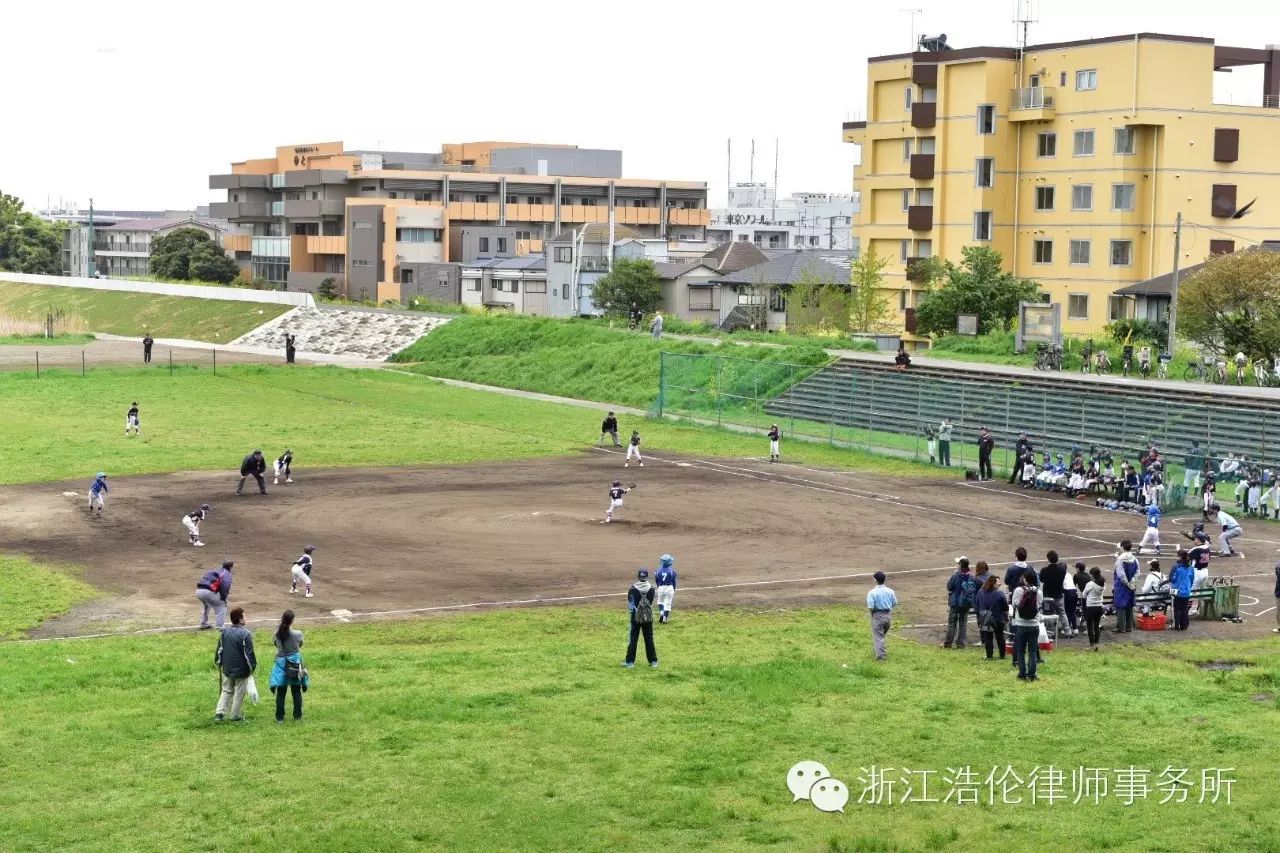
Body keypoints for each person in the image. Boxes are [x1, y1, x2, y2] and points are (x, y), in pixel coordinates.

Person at [214, 607, 257, 722]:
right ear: (240, 619)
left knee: (226, 690)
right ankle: (235, 716)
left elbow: (219, 650)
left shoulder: (224, 632)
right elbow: (249, 654)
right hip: (242, 670)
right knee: (239, 693)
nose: (246, 618)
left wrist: (218, 662)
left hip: (227, 669)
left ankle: (219, 714)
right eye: (244, 616)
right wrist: (252, 668)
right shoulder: (246, 634)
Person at [270, 610, 308, 723]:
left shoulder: (276, 633)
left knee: (281, 692)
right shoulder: (298, 634)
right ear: (292, 621)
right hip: (294, 663)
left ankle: (280, 718)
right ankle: (297, 717)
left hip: (281, 664)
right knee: (296, 690)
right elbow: (300, 644)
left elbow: (275, 644)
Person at [623, 570, 658, 668]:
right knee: (649, 638)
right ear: (647, 577)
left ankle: (630, 662)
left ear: (638, 576)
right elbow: (650, 602)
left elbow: (631, 602)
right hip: (648, 616)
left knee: (633, 638)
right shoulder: (651, 589)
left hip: (636, 616)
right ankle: (653, 661)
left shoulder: (633, 588)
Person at [1010, 573, 1041, 681]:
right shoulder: (1039, 592)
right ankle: (1032, 674)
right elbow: (1039, 606)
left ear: (1025, 579)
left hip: (1021, 624)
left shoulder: (1018, 590)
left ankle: (1022, 673)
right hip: (1034, 624)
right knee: (1032, 651)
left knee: (1020, 650)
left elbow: (1014, 604)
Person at [942, 557, 977, 649]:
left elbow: (949, 587)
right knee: (963, 623)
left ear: (960, 566)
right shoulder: (971, 577)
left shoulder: (955, 576)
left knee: (952, 622)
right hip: (966, 604)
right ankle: (960, 644)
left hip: (955, 603)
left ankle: (948, 643)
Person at [975, 575, 1008, 661]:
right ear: (993, 584)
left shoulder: (980, 592)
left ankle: (989, 655)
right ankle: (1002, 655)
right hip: (998, 618)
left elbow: (976, 605)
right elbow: (1005, 607)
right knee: (1000, 637)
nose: (1000, 583)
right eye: (998, 582)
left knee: (987, 637)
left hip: (985, 617)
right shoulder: (999, 593)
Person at [866, 571, 897, 661]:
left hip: (877, 616)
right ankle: (878, 650)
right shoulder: (890, 591)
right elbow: (894, 603)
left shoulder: (872, 593)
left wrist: (873, 614)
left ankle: (881, 658)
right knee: (881, 636)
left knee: (879, 637)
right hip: (888, 616)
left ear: (875, 580)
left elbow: (871, 606)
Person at [1040, 551, 1071, 638]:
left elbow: (1041, 580)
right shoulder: (1062, 570)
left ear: (1048, 559)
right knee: (1062, 613)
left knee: (1048, 613)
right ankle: (1067, 631)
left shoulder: (1044, 570)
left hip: (1047, 595)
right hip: (1058, 594)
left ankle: (1051, 632)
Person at [197, 560, 234, 630]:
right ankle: (220, 627)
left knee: (207, 605)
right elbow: (225, 586)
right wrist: (223, 598)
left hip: (198, 591)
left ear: (222, 565)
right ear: (231, 567)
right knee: (222, 604)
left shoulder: (215, 570)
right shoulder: (226, 574)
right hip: (207, 592)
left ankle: (204, 624)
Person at [1112, 541, 1140, 633]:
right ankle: (1129, 627)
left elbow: (1121, 574)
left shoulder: (1120, 560)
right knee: (1129, 606)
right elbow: (1137, 572)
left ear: (1122, 547)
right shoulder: (1135, 559)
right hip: (1131, 586)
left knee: (1120, 606)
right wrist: (1132, 582)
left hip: (1121, 586)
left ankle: (1121, 627)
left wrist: (1127, 583)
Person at [1169, 552, 1195, 631]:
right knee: (1184, 608)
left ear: (1180, 557)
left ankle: (1176, 625)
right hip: (1186, 591)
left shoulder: (1176, 567)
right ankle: (1184, 625)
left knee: (1177, 608)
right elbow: (1192, 579)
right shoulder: (1190, 568)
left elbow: (1171, 579)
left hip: (1177, 591)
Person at [1082, 567, 1106, 650]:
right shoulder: (1102, 583)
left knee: (1089, 626)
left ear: (1092, 575)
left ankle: (1092, 645)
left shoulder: (1090, 584)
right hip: (1099, 607)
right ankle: (1096, 644)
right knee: (1096, 626)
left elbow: (1084, 595)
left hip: (1090, 607)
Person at [654, 554, 677, 623]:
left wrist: (659, 587)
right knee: (668, 603)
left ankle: (661, 612)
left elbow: (657, 580)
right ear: (669, 562)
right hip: (669, 588)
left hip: (661, 587)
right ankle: (665, 618)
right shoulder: (672, 572)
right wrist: (674, 589)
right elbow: (674, 582)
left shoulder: (658, 571)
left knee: (660, 601)